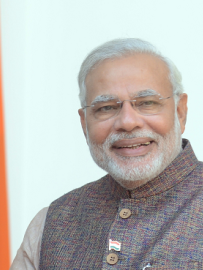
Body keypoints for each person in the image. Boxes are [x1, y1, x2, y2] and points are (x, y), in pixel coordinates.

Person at [10, 38, 201, 269]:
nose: (127, 122)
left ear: (180, 112)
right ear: (84, 124)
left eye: (147, 103)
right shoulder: (50, 224)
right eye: (106, 108)